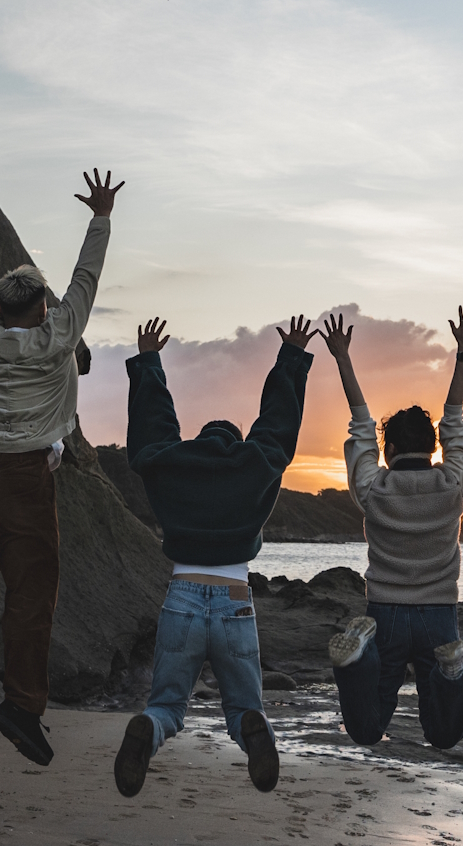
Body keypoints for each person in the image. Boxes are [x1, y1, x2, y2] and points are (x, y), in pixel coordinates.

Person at [0, 165, 120, 768]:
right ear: (38, 310)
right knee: (31, 599)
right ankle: (21, 707)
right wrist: (101, 217)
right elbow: (86, 280)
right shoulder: (57, 337)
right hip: (28, 482)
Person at [114, 314, 318, 797]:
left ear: (200, 440)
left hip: (182, 595)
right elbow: (276, 429)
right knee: (243, 706)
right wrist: (289, 356)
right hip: (235, 599)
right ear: (234, 442)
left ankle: (149, 728)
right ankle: (255, 733)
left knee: (167, 705)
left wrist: (149, 363)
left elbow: (151, 432)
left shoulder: (172, 464)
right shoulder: (254, 463)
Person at [320, 307, 463, 750]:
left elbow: (359, 428)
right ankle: (457, 671)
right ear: (433, 448)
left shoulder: (376, 490)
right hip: (438, 615)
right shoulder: (453, 487)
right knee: (444, 735)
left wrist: (343, 359)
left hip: (386, 613)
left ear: (388, 449)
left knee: (367, 730)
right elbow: (456, 423)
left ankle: (358, 660)